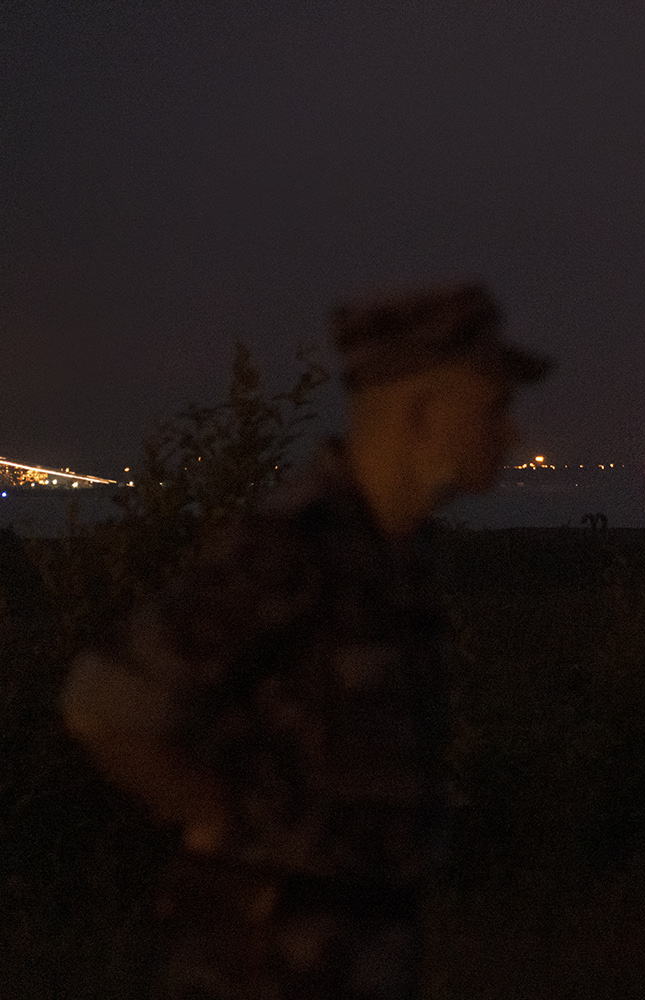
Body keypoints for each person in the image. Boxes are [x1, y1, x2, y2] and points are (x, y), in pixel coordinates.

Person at [60, 282, 549, 999]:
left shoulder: (400, 560)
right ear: (422, 412)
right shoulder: (296, 547)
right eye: (494, 406)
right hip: (264, 970)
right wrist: (223, 825)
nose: (511, 434)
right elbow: (101, 701)